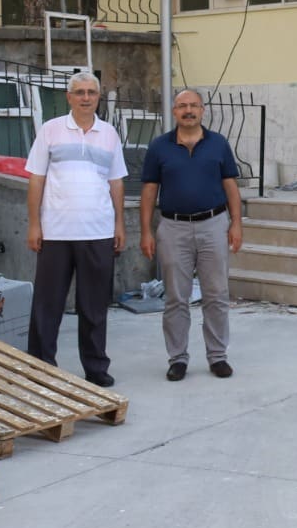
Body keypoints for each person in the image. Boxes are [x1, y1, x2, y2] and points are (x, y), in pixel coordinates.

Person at [25, 70, 126, 388]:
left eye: (91, 93)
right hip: (55, 232)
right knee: (47, 304)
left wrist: (119, 223)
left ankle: (96, 367)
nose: (85, 98)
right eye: (79, 92)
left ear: (99, 97)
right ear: (69, 97)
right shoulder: (51, 130)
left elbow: (116, 181)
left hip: (98, 231)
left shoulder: (109, 133)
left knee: (94, 306)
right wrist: (33, 224)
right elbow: (36, 178)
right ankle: (41, 367)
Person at [140, 88, 242, 381]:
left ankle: (218, 356)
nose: (188, 110)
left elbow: (231, 187)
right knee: (175, 297)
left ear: (202, 110)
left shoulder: (218, 144)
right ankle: (178, 358)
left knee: (216, 294)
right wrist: (146, 231)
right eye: (182, 106)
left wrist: (236, 224)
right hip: (172, 228)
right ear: (174, 112)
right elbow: (148, 193)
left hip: (214, 224)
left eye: (193, 106)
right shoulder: (159, 147)